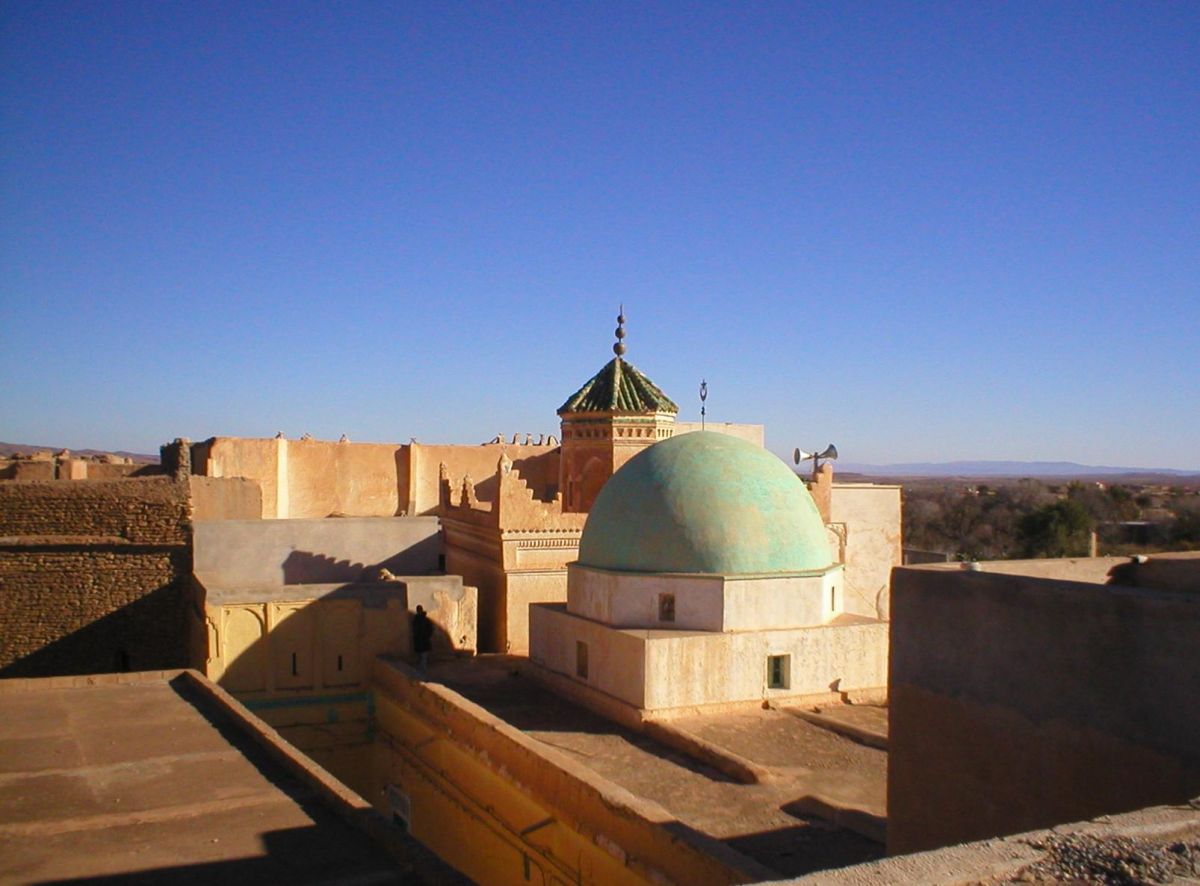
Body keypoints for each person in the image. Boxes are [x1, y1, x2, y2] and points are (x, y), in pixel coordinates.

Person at [411, 605, 433, 675]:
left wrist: (427, 636)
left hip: (423, 641)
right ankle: (421, 670)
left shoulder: (423, 620)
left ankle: (423, 671)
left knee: (423, 657)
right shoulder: (418, 619)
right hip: (420, 641)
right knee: (421, 657)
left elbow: (430, 629)